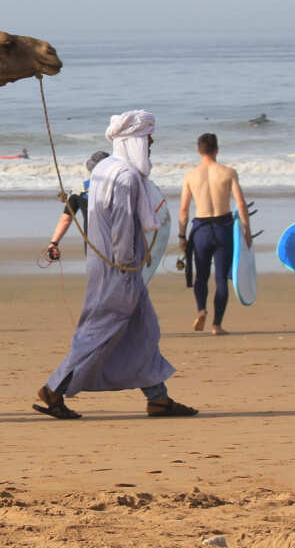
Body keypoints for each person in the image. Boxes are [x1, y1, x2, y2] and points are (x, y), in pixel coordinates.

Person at [34, 110, 196, 420]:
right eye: (147, 138)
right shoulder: (125, 176)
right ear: (134, 140)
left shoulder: (104, 169)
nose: (150, 143)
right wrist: (128, 263)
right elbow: (121, 226)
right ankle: (53, 389)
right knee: (98, 333)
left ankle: (158, 399)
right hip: (118, 270)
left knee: (143, 331)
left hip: (107, 266)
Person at [177, 133, 252, 336]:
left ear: (198, 150)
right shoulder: (228, 173)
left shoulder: (190, 176)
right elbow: (241, 204)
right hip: (223, 228)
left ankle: (201, 310)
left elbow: (183, 210)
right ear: (217, 150)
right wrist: (247, 231)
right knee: (221, 279)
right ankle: (216, 325)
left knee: (201, 277)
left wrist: (182, 236)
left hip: (200, 230)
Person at [44, 151, 109, 262]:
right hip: (122, 244)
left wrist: (54, 243)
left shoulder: (79, 190)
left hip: (92, 246)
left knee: (98, 278)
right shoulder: (124, 189)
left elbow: (66, 219)